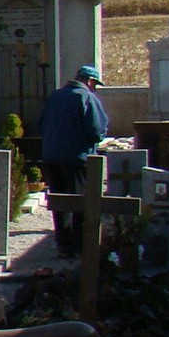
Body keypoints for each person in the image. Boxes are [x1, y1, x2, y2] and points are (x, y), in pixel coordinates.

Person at [37, 64, 110, 254]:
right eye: (95, 84)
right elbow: (96, 130)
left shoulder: (55, 96)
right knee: (80, 201)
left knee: (59, 201)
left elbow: (41, 124)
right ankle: (79, 244)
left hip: (52, 156)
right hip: (76, 158)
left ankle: (62, 242)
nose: (95, 88)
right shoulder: (86, 97)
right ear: (90, 81)